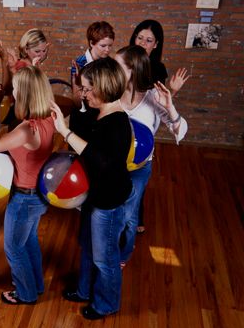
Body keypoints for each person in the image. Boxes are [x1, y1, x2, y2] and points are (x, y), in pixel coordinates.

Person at [51, 57, 133, 320]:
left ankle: (106, 303)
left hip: (107, 202)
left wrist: (64, 133)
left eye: (87, 89)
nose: (83, 94)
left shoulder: (118, 123)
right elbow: (83, 124)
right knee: (87, 246)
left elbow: (102, 161)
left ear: (103, 87)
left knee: (105, 259)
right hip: (93, 197)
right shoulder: (101, 114)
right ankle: (85, 290)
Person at [0, 66, 55, 305]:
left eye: (16, 90)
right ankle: (36, 285)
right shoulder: (48, 118)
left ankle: (26, 293)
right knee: (28, 240)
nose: (13, 93)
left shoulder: (27, 129)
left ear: (28, 94)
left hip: (24, 198)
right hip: (38, 196)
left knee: (13, 248)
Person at [115, 45, 188, 264]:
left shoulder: (154, 97)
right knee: (112, 211)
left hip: (139, 168)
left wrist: (170, 105)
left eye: (117, 65)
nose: (112, 69)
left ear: (132, 70)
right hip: (113, 164)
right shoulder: (111, 94)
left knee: (129, 215)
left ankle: (124, 254)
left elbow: (180, 131)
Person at [129, 20, 189, 232]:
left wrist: (171, 94)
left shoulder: (156, 70)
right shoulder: (122, 63)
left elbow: (158, 104)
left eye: (148, 40)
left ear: (155, 45)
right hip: (121, 141)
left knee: (136, 190)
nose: (142, 43)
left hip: (142, 143)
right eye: (139, 37)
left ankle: (135, 221)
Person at [0, 29, 50, 129]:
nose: (41, 55)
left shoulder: (33, 62)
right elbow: (10, 90)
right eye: (37, 51)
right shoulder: (21, 65)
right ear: (25, 49)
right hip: (22, 114)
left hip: (30, 112)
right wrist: (9, 66)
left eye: (44, 50)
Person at [69, 21, 115, 138]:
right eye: (103, 46)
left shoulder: (110, 63)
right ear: (91, 43)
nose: (107, 50)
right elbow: (77, 101)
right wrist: (80, 82)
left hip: (102, 115)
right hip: (83, 117)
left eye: (110, 46)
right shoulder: (79, 63)